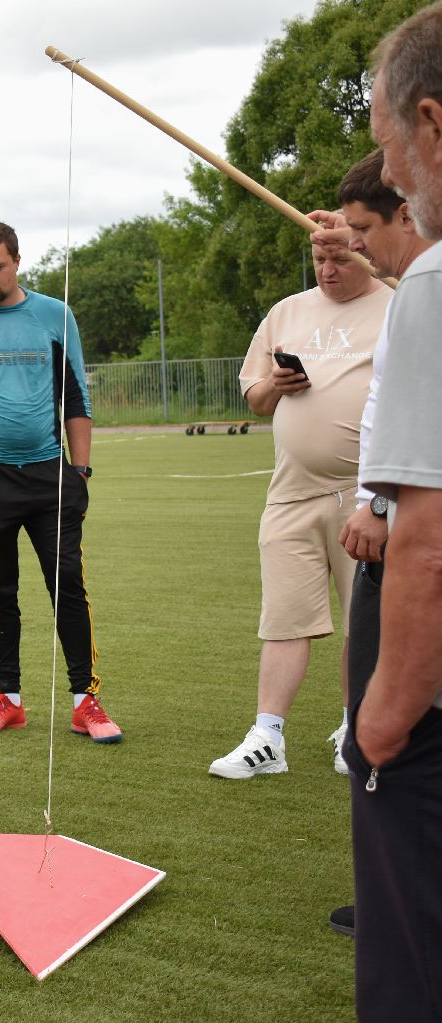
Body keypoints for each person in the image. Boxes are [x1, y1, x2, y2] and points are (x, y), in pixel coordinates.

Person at [345, 12, 442, 1023]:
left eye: (391, 145)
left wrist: (383, 718)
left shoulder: (436, 283)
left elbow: (431, 543)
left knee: (415, 985)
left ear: (432, 122)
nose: (395, 181)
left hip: (433, 719)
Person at [0, 222, 121, 744]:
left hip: (49, 474)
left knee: (68, 585)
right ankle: (8, 700)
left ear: (17, 262)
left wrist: (79, 471)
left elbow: (76, 398)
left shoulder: (55, 315)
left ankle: (86, 701)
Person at [207, 232, 391, 780]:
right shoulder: (286, 312)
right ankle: (268, 737)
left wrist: (381, 502)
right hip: (291, 492)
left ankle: (353, 727)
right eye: (319, 260)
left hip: (365, 495)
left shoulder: (397, 302)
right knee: (284, 619)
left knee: (366, 622)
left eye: (340, 258)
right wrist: (276, 384)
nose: (328, 270)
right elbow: (255, 398)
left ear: (366, 251)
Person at [312, 150, 434, 937]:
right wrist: (344, 230)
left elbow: (412, 419)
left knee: (386, 736)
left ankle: (400, 906)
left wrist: (375, 502)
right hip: (389, 516)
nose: (357, 246)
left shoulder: (424, 287)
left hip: (399, 534)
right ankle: (398, 892)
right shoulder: (415, 287)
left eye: (365, 230)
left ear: (408, 213)